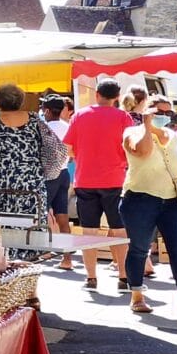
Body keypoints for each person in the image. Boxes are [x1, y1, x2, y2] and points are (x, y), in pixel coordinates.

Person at [118, 88, 177, 318]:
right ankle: (137, 296)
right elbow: (142, 152)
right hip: (140, 198)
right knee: (140, 248)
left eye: (170, 113)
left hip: (172, 200)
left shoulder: (175, 137)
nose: (166, 117)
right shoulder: (132, 132)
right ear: (146, 111)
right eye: (160, 112)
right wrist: (148, 126)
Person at [70, 80, 134, 291]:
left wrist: (82, 157)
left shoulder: (79, 115)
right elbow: (131, 147)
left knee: (89, 231)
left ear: (96, 94)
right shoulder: (124, 117)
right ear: (117, 96)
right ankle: (124, 277)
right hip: (115, 179)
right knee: (119, 229)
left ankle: (91, 277)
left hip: (85, 179)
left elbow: (68, 147)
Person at [0, 84, 48, 220]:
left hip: (2, 185)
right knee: (31, 229)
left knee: (1, 228)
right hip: (31, 184)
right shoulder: (35, 120)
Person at [41, 95, 76, 269]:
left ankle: (45, 251)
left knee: (43, 212)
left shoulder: (44, 128)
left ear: (47, 110)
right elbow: (72, 153)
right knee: (62, 216)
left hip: (48, 175)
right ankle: (67, 259)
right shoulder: (68, 127)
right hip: (64, 173)